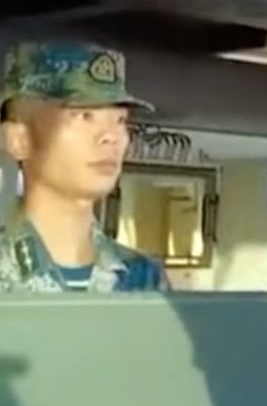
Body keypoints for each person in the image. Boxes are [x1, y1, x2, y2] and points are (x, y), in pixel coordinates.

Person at [0, 41, 168, 293]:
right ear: (19, 140)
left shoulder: (143, 279)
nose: (111, 136)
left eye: (120, 120)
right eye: (84, 116)